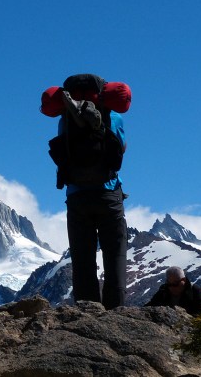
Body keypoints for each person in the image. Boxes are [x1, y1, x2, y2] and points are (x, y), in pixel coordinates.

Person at [48, 74, 128, 310]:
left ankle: (86, 311)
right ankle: (116, 313)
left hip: (76, 196)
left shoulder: (65, 120)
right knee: (115, 255)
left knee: (82, 259)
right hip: (109, 193)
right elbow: (120, 152)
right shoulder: (114, 117)